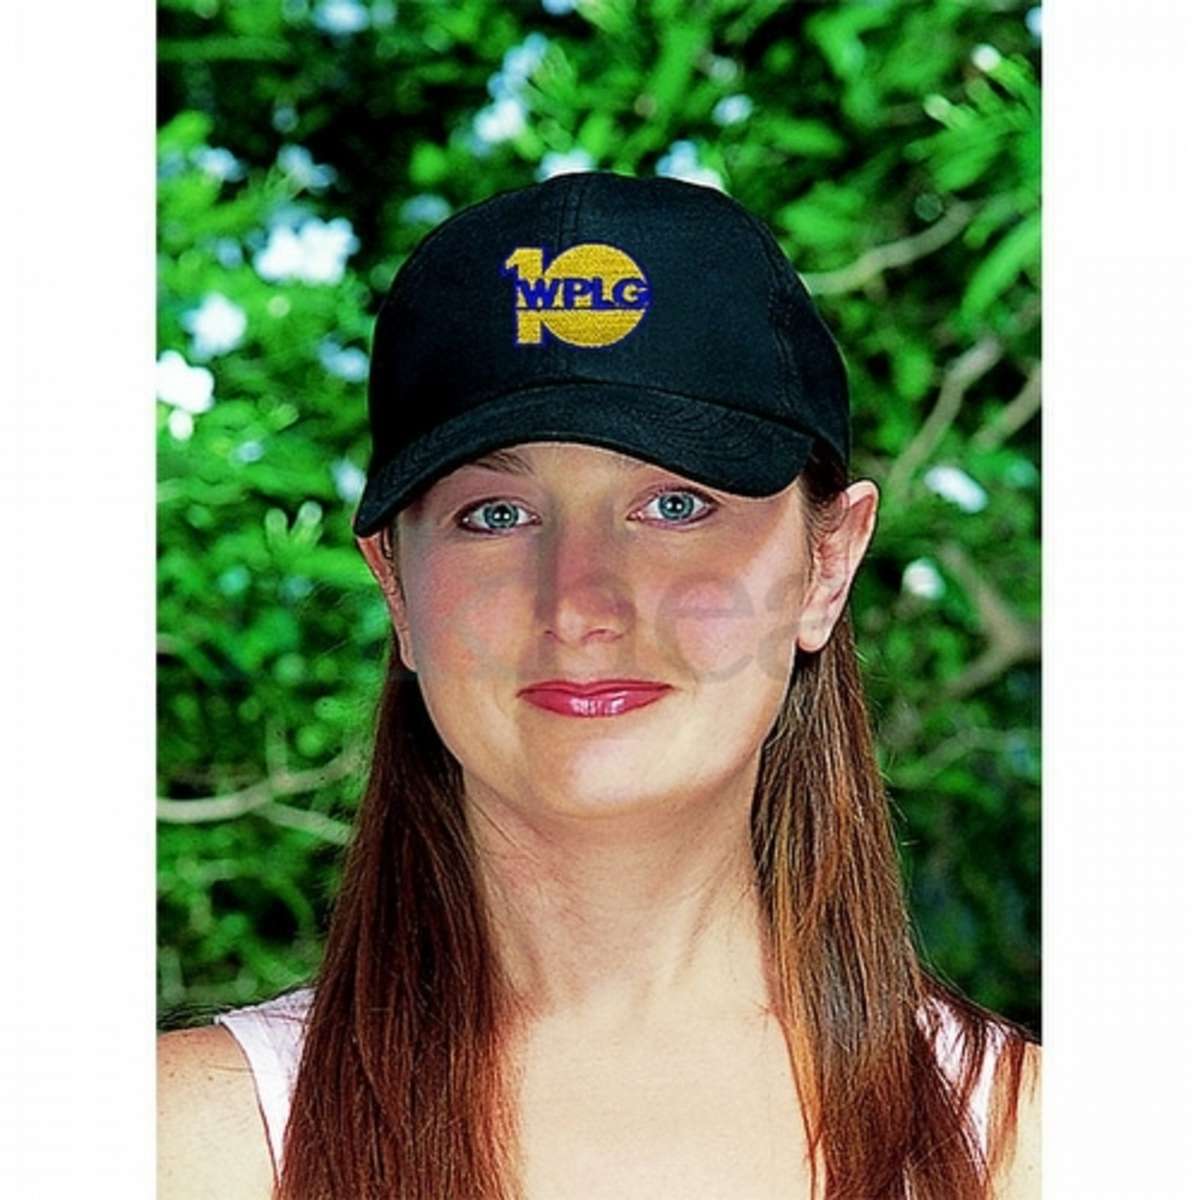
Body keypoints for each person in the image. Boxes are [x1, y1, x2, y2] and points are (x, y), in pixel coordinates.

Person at [158, 172, 1040, 1199]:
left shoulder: (1039, 1151)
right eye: (496, 516)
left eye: (675, 505)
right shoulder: (177, 1148)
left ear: (828, 564)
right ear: (395, 585)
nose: (580, 603)